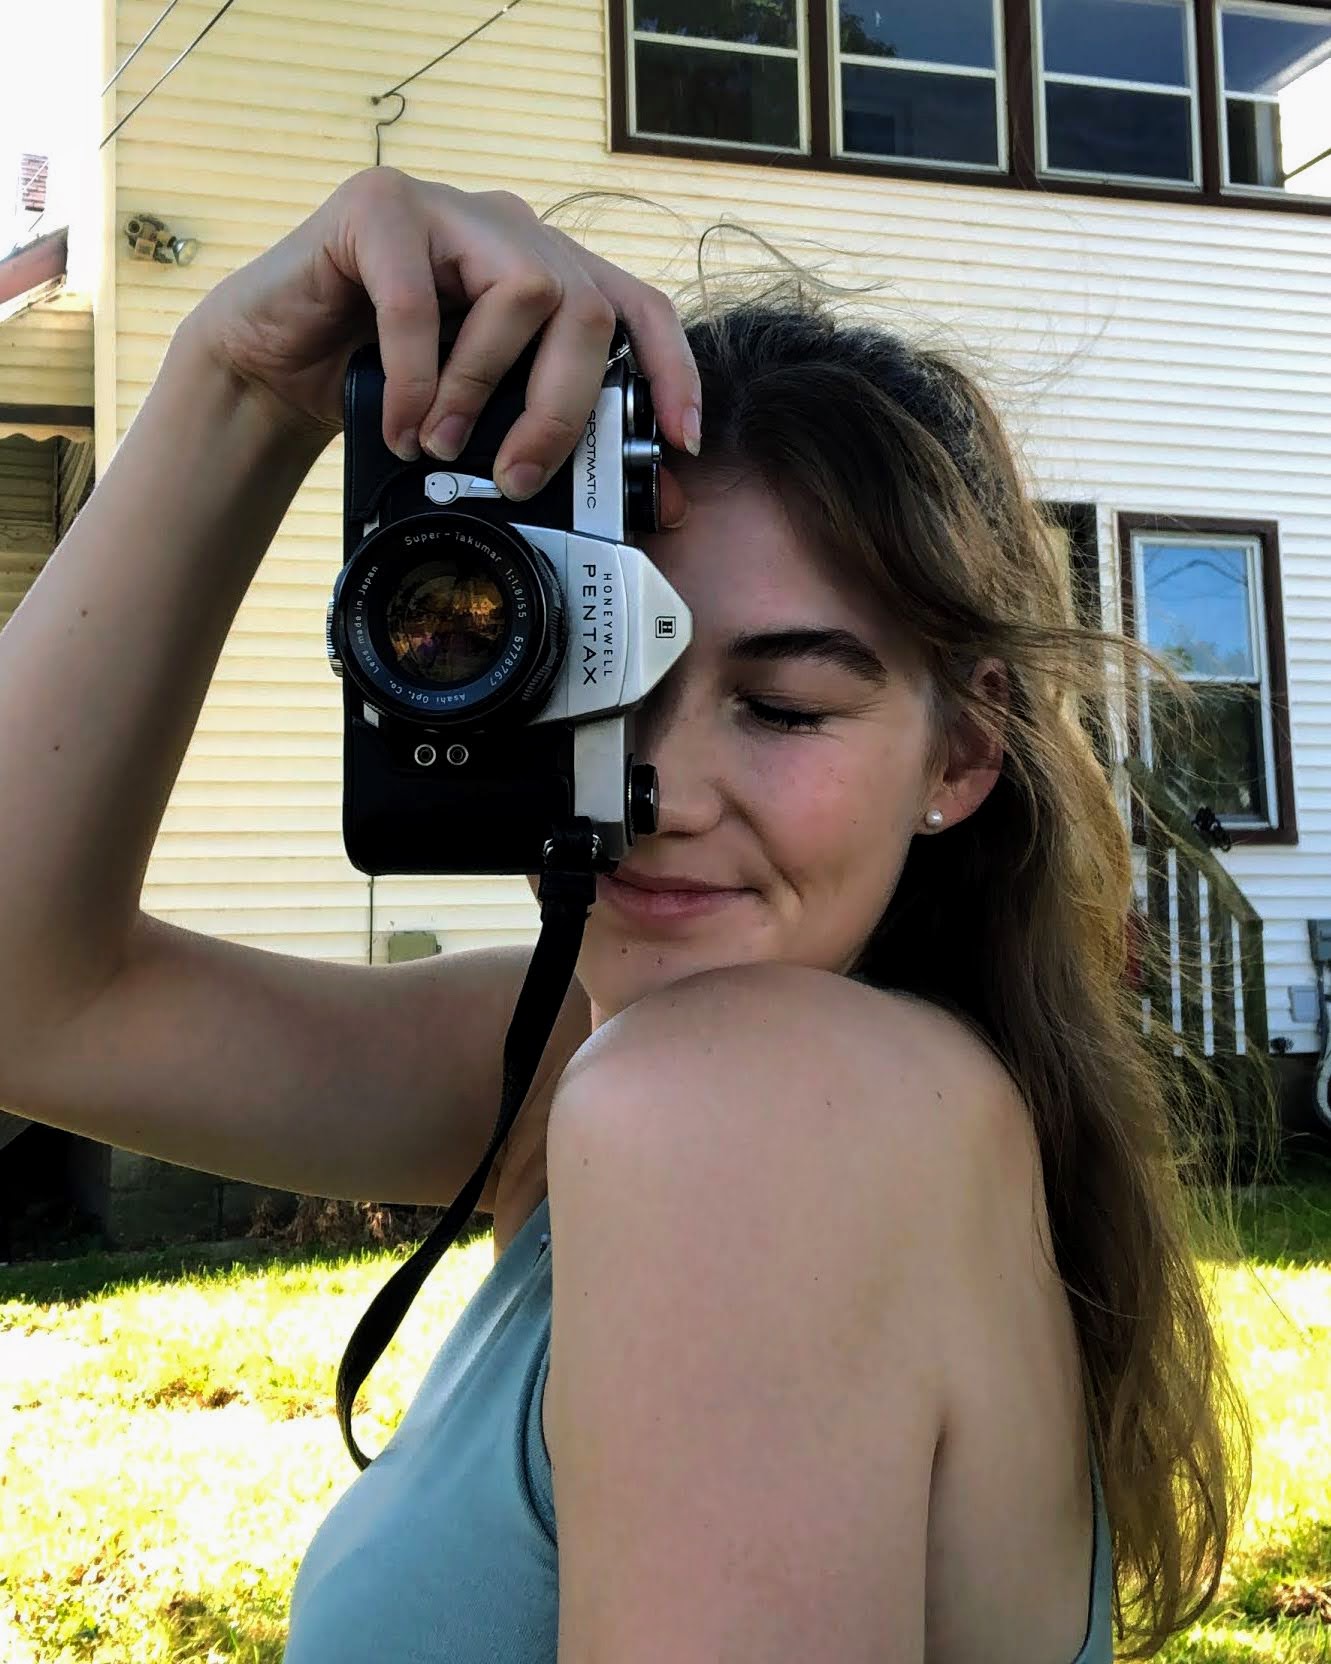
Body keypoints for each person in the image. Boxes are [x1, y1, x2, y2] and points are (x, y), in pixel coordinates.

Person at [0, 166, 1255, 1663]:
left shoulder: (747, 1104)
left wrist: (238, 395)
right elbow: (31, 1001)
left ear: (962, 755)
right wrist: (244, 374)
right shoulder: (587, 1061)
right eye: (589, 679)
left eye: (783, 708)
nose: (657, 787)